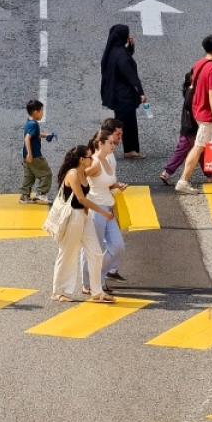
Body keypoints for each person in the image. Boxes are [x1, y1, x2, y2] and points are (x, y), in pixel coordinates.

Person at [50, 142, 113, 303]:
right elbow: (81, 199)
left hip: (84, 217)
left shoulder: (84, 173)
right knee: (67, 253)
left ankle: (97, 292)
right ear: (81, 159)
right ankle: (59, 291)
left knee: (96, 252)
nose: (91, 158)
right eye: (89, 157)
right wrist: (103, 212)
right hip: (73, 217)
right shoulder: (72, 174)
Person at [177, 35, 212, 193]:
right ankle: (183, 181)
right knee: (199, 147)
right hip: (206, 114)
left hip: (197, 110)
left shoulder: (199, 64)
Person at [83, 122, 128, 283]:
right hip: (97, 209)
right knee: (93, 248)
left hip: (107, 207)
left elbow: (106, 182)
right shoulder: (95, 162)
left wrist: (116, 185)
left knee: (118, 246)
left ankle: (99, 276)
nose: (115, 143)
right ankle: (90, 283)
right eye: (111, 141)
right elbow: (79, 177)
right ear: (101, 142)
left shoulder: (108, 158)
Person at [100, 24, 145, 157]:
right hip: (124, 96)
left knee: (122, 122)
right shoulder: (121, 55)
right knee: (127, 124)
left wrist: (130, 47)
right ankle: (128, 150)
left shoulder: (113, 51)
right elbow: (131, 75)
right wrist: (141, 92)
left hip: (115, 94)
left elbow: (125, 58)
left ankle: (126, 149)